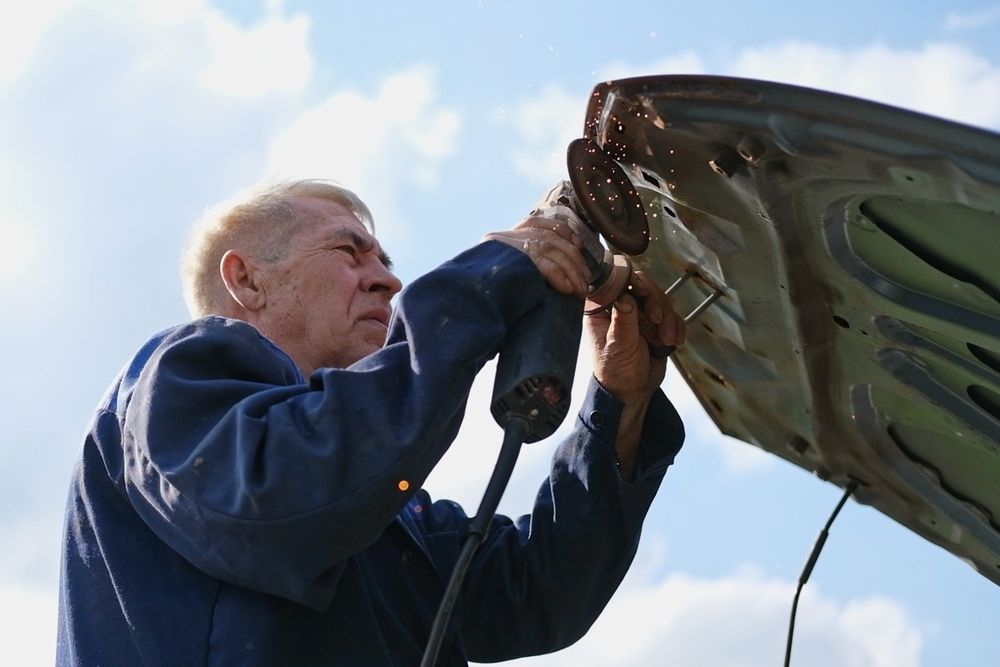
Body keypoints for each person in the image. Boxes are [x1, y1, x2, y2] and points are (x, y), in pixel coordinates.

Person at [57, 178, 686, 666]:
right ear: (245, 280)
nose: (387, 279)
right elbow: (285, 491)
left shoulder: (384, 519)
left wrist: (618, 400)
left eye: (384, 259)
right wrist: (492, 272)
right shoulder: (174, 384)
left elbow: (536, 592)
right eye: (349, 251)